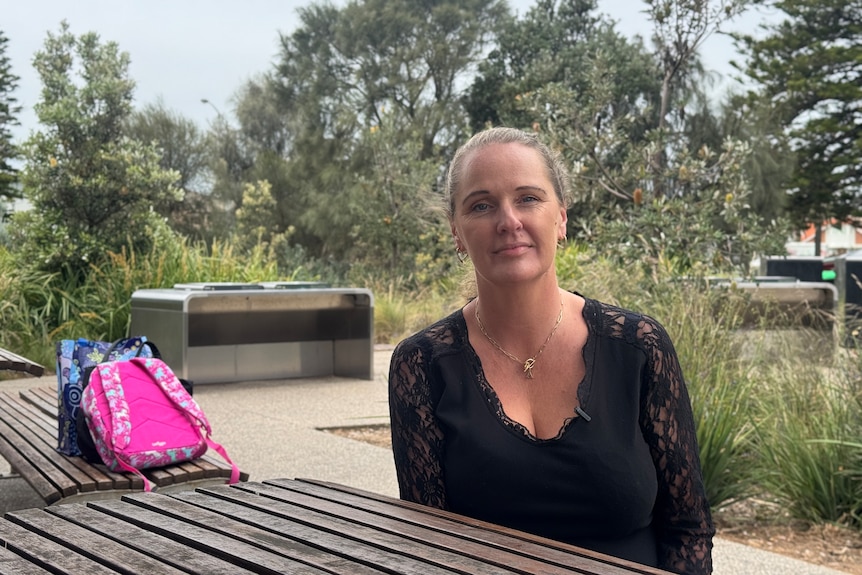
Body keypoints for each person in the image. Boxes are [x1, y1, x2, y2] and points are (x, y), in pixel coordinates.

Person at [388, 127, 714, 574]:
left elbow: (688, 530)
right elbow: (430, 546)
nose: (508, 221)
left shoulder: (639, 347)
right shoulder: (422, 365)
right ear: (457, 233)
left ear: (560, 218)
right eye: (481, 205)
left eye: (528, 198)